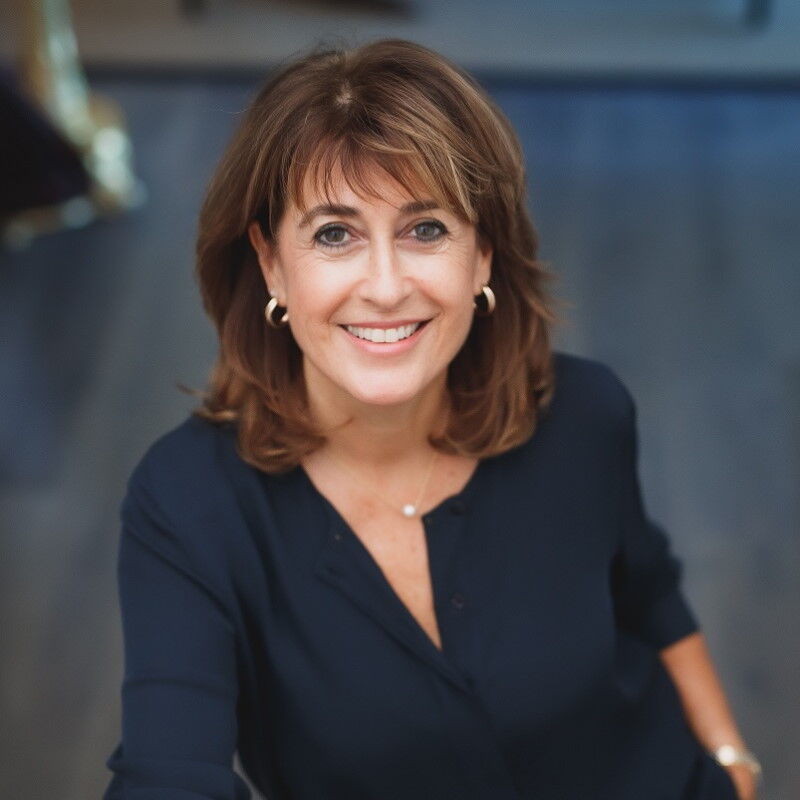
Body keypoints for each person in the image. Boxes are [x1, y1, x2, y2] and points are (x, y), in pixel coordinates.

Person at [102, 38, 761, 800]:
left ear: (482, 255)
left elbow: (649, 596)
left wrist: (734, 766)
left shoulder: (585, 414)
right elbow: (167, 772)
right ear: (272, 263)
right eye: (334, 234)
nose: (386, 288)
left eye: (426, 230)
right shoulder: (187, 504)